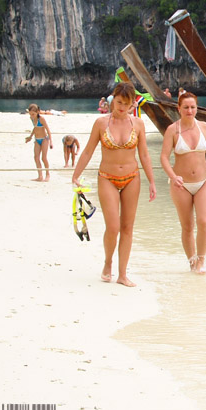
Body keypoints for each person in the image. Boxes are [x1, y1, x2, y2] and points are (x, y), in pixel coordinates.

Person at [72, 82, 157, 287]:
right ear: (113, 98)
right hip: (107, 177)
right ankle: (108, 262)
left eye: (126, 104)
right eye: (118, 102)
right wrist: (76, 175)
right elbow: (88, 151)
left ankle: (122, 274)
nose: (121, 107)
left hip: (132, 178)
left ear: (132, 104)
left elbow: (144, 154)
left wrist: (152, 181)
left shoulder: (138, 124)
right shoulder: (101, 123)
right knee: (113, 226)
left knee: (127, 227)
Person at [160, 91, 206, 274]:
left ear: (196, 108)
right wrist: (173, 176)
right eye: (186, 107)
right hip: (180, 183)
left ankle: (201, 261)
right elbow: (164, 158)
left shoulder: (204, 126)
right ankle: (191, 261)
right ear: (179, 109)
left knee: (204, 221)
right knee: (187, 226)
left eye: (193, 107)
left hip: (204, 180)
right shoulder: (172, 130)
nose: (190, 111)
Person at [25, 104, 53, 181]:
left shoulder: (42, 119)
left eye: (33, 114)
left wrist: (51, 142)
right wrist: (30, 137)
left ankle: (47, 174)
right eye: (30, 114)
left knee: (44, 158)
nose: (32, 115)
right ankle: (40, 176)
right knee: (36, 157)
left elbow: (48, 130)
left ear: (37, 112)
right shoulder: (32, 118)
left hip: (44, 139)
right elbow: (35, 128)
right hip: (37, 139)